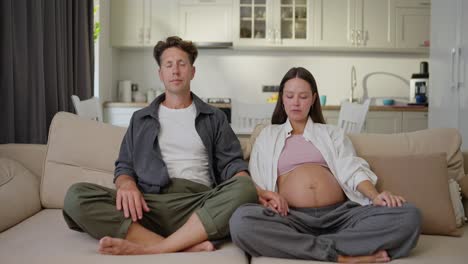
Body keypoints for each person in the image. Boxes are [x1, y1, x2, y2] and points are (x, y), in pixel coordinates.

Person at [62, 36, 257, 255]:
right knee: (75, 196)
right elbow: (124, 167)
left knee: (245, 188)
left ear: (192, 72)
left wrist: (254, 189)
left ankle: (157, 247)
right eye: (169, 65)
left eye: (182, 64)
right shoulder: (140, 119)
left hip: (198, 205)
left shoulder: (214, 117)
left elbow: (232, 165)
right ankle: (182, 245)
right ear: (160, 74)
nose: (175, 71)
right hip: (148, 206)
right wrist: (126, 185)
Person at [229, 67, 421, 263]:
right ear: (282, 99)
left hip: (341, 216)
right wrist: (267, 199)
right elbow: (257, 180)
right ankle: (341, 255)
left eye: (303, 96)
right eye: (290, 96)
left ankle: (305, 246)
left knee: (409, 216)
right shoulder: (267, 136)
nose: (296, 102)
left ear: (313, 99)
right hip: (291, 218)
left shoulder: (332, 133)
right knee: (241, 222)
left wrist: (375, 195)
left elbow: (351, 169)